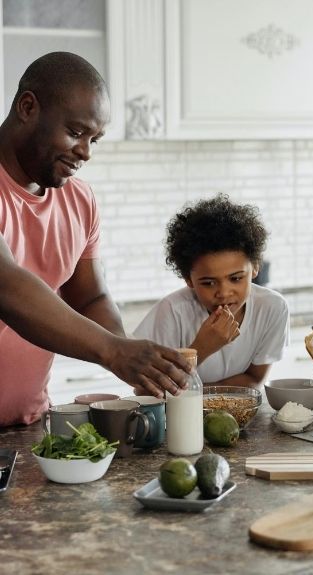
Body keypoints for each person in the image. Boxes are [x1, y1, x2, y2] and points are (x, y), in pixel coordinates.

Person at [0, 52, 190, 427]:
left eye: (94, 139)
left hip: (27, 427)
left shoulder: (78, 198)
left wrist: (133, 358)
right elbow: (6, 287)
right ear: (27, 107)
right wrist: (113, 351)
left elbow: (90, 296)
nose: (85, 151)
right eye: (75, 132)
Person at [134, 194, 289, 388]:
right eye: (208, 283)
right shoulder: (172, 312)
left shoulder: (272, 307)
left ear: (255, 267)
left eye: (236, 278)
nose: (223, 292)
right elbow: (145, 390)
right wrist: (202, 348)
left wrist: (201, 395)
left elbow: (254, 379)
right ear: (188, 279)